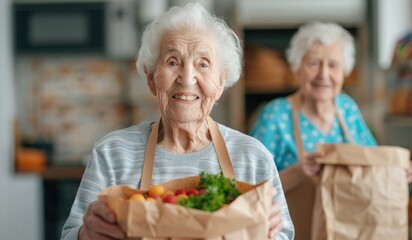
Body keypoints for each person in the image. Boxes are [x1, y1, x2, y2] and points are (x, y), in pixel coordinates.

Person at [60, 3, 294, 240]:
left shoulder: (253, 157)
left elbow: (283, 233)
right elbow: (70, 235)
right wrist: (87, 233)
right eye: (173, 62)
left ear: (221, 83)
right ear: (152, 79)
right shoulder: (112, 153)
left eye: (203, 64)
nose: (187, 78)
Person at [249, 21, 412, 239]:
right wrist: (298, 172)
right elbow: (248, 189)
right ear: (298, 68)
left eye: (334, 65)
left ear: (345, 72)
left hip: (348, 231)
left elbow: (371, 163)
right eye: (314, 63)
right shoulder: (275, 114)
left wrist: (393, 171)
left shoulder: (347, 108)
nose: (324, 75)